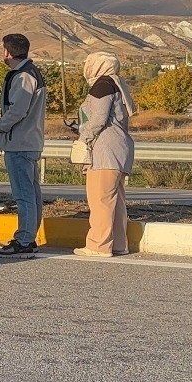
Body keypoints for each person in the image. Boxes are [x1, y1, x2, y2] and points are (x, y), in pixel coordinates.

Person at [74, 52, 137, 257]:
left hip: (105, 150)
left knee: (100, 199)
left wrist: (84, 137)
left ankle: (98, 245)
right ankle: (119, 244)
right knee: (115, 200)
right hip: (119, 149)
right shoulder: (118, 84)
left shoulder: (102, 85)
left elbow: (99, 118)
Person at [0, 34, 47, 259]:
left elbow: (17, 110)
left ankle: (24, 240)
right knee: (32, 193)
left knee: (24, 194)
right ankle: (29, 237)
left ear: (7, 52)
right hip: (30, 141)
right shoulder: (31, 72)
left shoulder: (23, 76)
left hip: (20, 142)